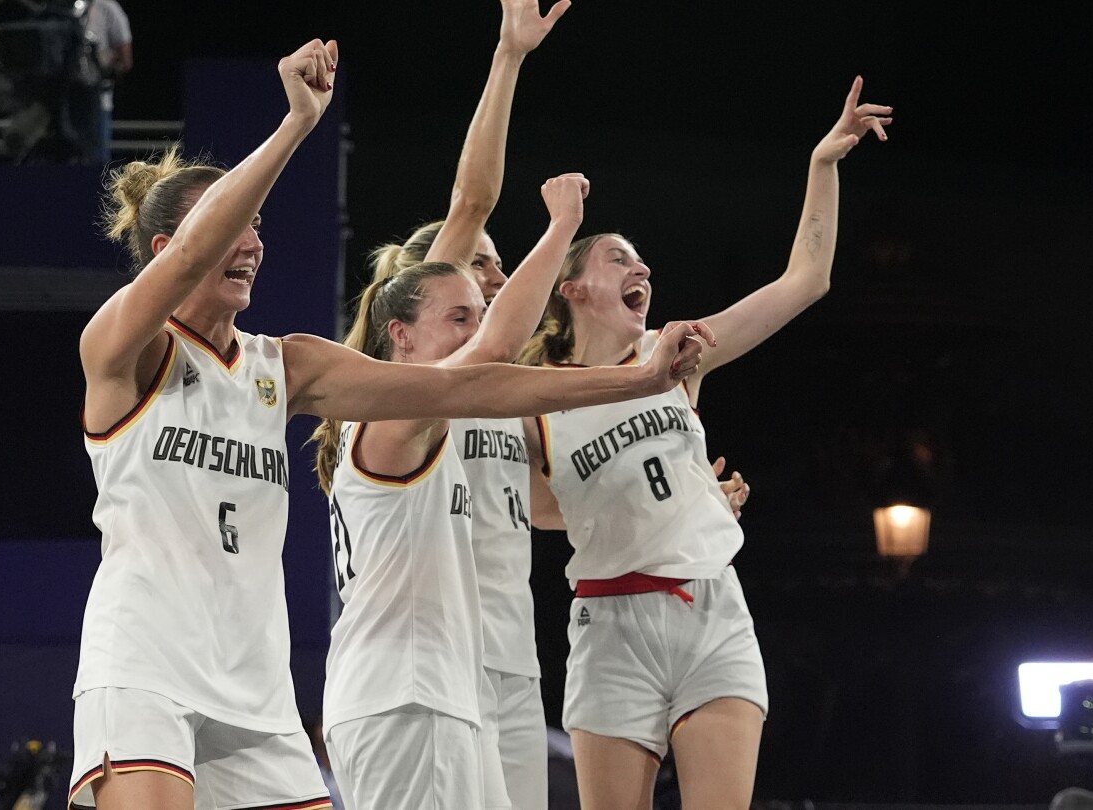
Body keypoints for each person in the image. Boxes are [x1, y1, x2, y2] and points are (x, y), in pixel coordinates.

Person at [69, 38, 704, 810]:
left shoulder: (286, 363)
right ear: (169, 248)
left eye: (261, 223)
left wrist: (634, 378)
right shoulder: (121, 349)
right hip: (146, 667)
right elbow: (191, 255)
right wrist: (297, 125)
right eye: (234, 222)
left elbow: (466, 384)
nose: (254, 239)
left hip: (257, 686)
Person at [516, 78, 891, 810]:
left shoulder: (676, 355)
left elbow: (805, 281)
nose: (641, 270)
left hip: (710, 608)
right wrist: (650, 502)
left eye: (642, 262)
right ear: (572, 290)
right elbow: (541, 511)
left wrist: (823, 166)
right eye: (620, 260)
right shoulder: (536, 396)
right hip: (609, 620)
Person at [77, 0, 132, 164]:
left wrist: (103, 62)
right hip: (62, 101)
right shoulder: (60, 7)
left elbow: (126, 61)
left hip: (97, 100)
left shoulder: (108, 8)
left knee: (97, 162)